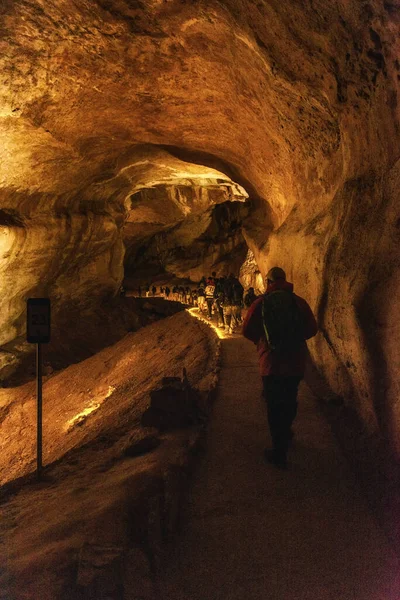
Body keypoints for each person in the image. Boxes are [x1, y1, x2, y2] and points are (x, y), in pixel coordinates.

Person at [242, 266, 318, 468]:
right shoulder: (298, 302)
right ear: (285, 280)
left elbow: (247, 329)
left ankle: (279, 452)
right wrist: (295, 339)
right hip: (295, 362)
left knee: (274, 405)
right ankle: (287, 431)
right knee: (290, 398)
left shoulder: (261, 303)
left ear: (268, 282)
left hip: (271, 363)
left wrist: (263, 342)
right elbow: (312, 328)